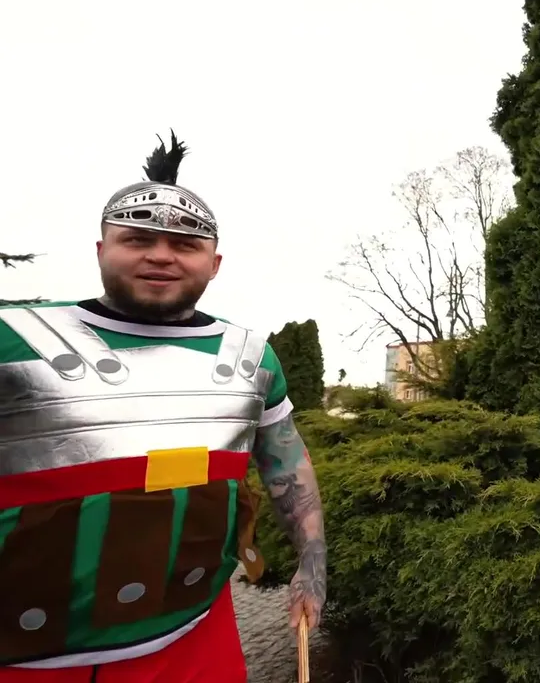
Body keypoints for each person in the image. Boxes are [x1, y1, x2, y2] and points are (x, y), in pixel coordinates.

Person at [0, 133, 327, 682]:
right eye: (138, 239)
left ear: (214, 263)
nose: (160, 255)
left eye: (184, 244)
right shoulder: (11, 338)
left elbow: (286, 463)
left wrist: (312, 565)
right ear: (101, 249)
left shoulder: (251, 357)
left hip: (195, 641)